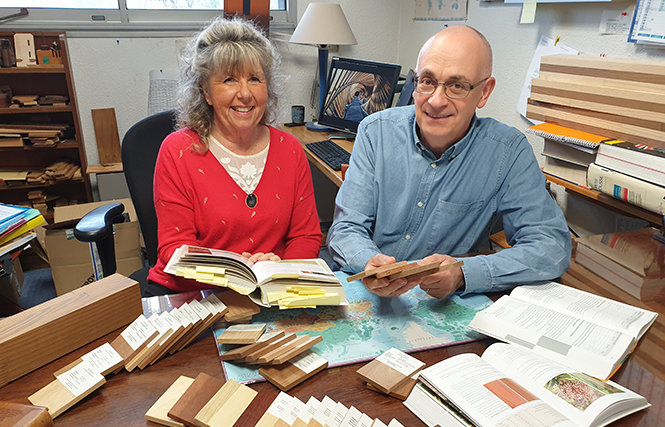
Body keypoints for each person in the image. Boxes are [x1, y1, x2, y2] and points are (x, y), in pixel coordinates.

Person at [327, 25, 571, 300]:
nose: (436, 101)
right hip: (368, 297)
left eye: (457, 86)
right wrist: (368, 262)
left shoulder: (508, 152)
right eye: (427, 81)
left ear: (484, 92)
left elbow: (551, 246)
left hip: (443, 307)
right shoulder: (375, 132)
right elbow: (346, 229)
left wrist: (464, 272)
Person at [146, 17, 322, 296]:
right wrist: (236, 273)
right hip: (193, 295)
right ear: (206, 90)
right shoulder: (177, 151)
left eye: (255, 79)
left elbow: (306, 236)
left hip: (270, 290)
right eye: (229, 79)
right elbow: (174, 249)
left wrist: (279, 270)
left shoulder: (290, 149)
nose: (245, 93)